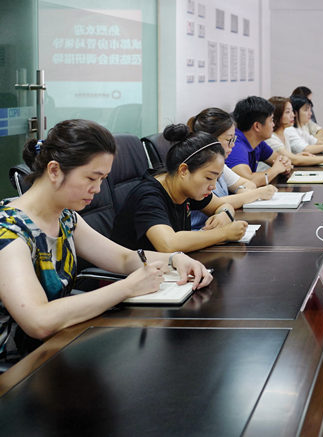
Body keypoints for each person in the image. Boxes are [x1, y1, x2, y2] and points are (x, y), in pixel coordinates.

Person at [0, 120, 212, 361]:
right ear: (54, 170)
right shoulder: (9, 231)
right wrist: (127, 287)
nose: (98, 189)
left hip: (58, 345)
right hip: (19, 367)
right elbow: (39, 321)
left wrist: (174, 259)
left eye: (102, 179)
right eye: (92, 178)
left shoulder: (66, 217)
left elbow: (122, 258)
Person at [111, 124, 248, 252]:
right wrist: (223, 233)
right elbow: (168, 244)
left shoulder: (185, 186)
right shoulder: (148, 197)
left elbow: (223, 205)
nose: (213, 186)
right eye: (208, 178)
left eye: (216, 178)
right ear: (183, 170)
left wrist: (223, 215)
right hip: (138, 268)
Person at [187, 107, 278, 229]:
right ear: (210, 140)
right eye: (229, 140)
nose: (233, 145)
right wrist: (257, 194)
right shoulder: (195, 170)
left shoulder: (220, 166)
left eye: (233, 139)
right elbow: (214, 204)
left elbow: (248, 184)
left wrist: (240, 194)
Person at [226, 96, 293, 186]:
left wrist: (285, 162)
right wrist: (276, 169)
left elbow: (279, 159)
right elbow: (248, 181)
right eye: (271, 120)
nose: (273, 124)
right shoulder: (235, 146)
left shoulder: (258, 142)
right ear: (257, 126)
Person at [267, 97, 323, 167]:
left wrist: (298, 156)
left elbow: (288, 158)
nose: (293, 115)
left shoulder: (285, 132)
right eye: (288, 112)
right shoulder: (272, 138)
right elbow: (294, 160)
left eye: (292, 111)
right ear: (277, 115)